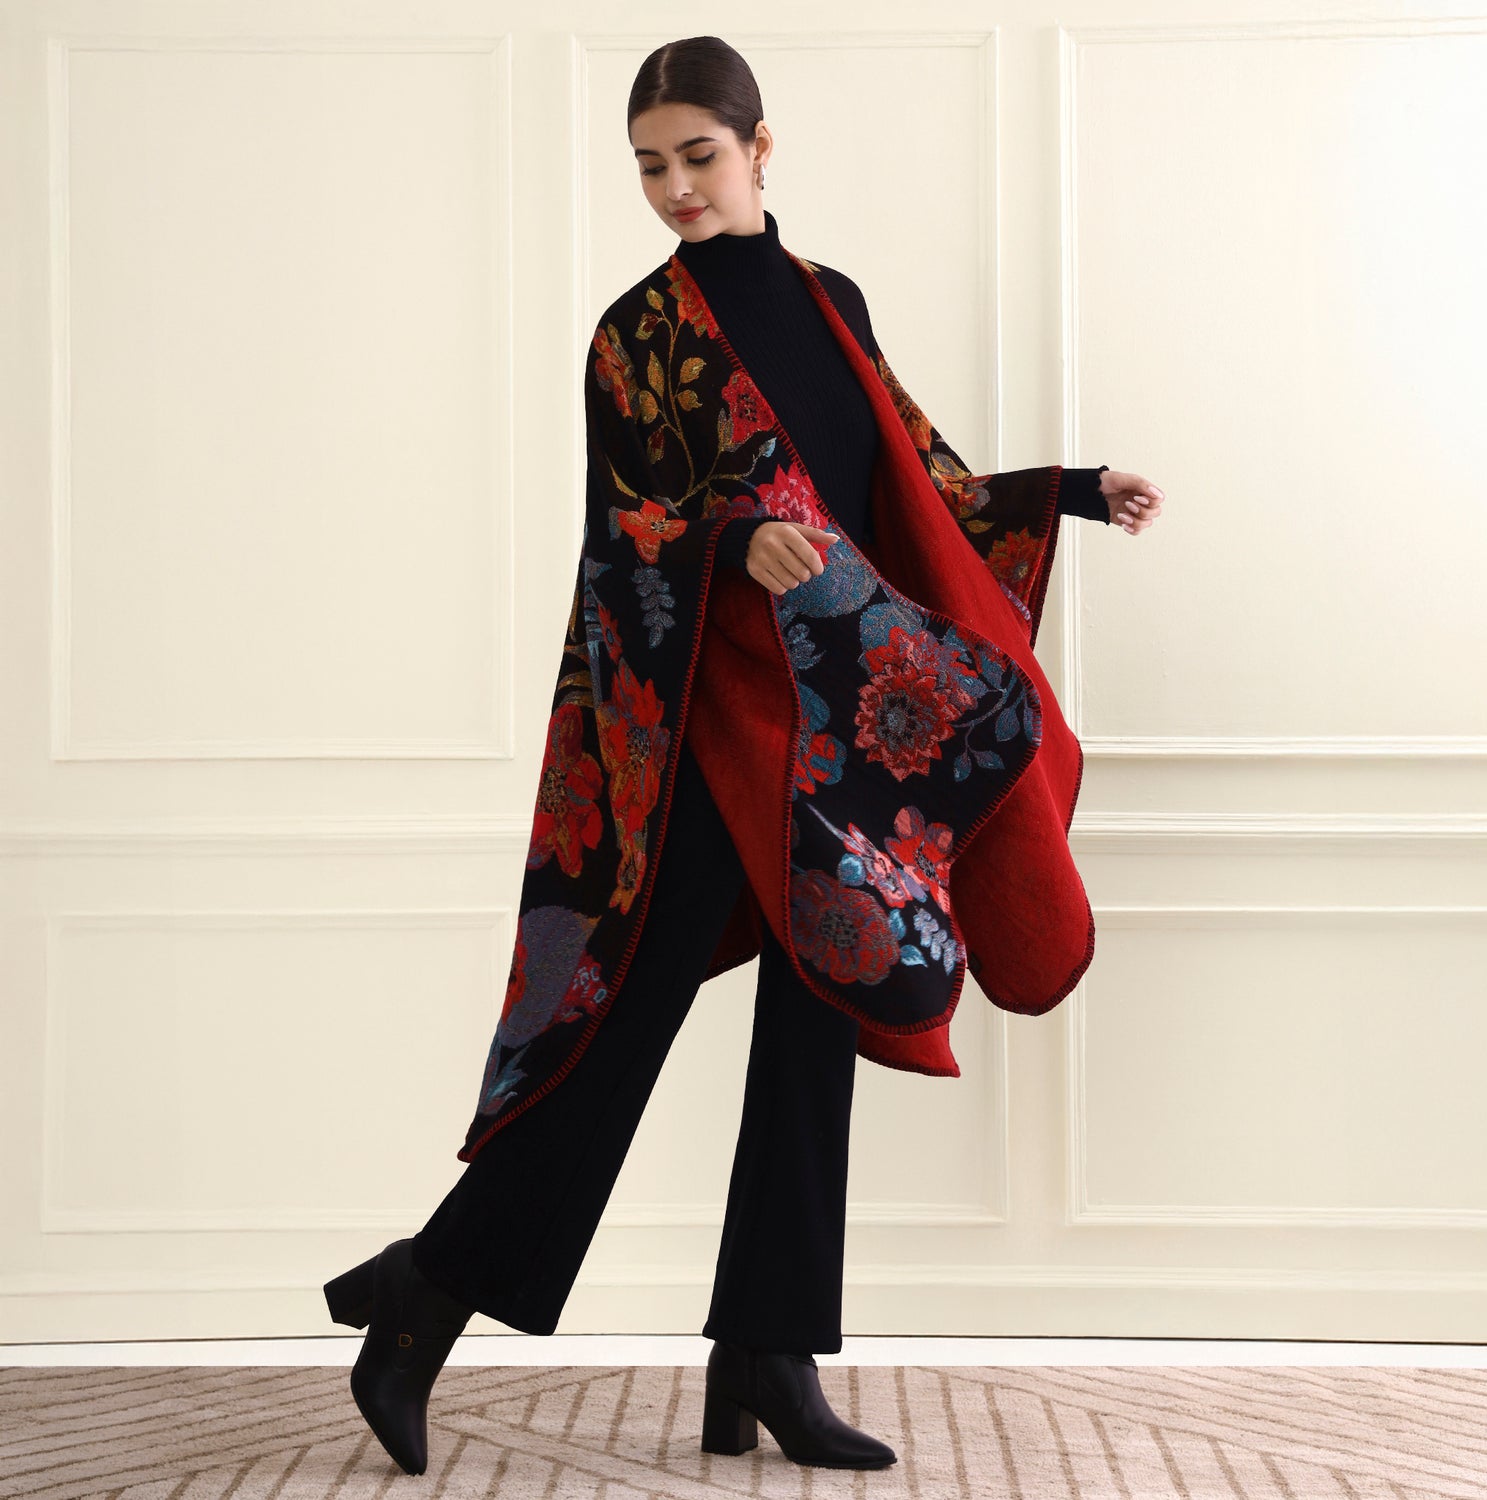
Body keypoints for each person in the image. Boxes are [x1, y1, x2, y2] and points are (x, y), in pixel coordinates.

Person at [322, 33, 1166, 1480]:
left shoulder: (832, 304)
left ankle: (768, 1355)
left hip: (836, 722)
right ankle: (426, 1291)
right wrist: (732, 536)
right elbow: (624, 540)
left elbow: (915, 483)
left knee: (819, 1013)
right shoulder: (633, 339)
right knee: (628, 1009)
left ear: (761, 148)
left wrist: (1071, 490)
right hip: (710, 726)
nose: (675, 188)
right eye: (649, 166)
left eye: (698, 156)